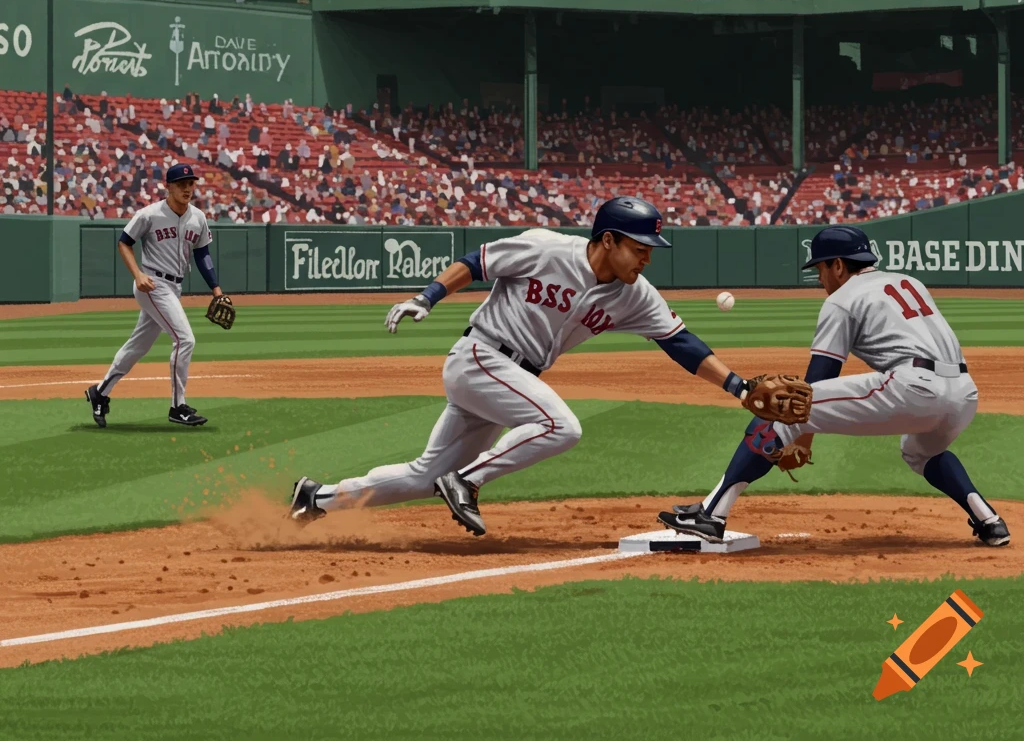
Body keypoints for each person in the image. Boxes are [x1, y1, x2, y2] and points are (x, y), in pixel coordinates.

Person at [289, 197, 779, 536]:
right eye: (638, 247)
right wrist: (428, 297)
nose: (647, 258)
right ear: (608, 240)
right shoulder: (547, 247)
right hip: (480, 356)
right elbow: (478, 261)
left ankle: (316, 499)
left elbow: (682, 343)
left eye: (650, 250)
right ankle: (467, 481)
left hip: (509, 380)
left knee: (423, 475)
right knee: (561, 426)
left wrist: (738, 386)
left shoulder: (635, 295)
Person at [659, 225, 1010, 547]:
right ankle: (989, 520)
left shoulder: (841, 299)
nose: (820, 277)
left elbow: (815, 382)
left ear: (838, 265)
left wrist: (801, 436)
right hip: (964, 393)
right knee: (921, 452)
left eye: (821, 268)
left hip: (914, 386)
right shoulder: (908, 281)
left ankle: (712, 514)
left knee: (780, 404)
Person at [84, 163, 222, 428]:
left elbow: (202, 253)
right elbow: (124, 242)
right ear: (167, 186)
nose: (187, 188)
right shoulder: (149, 214)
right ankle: (177, 406)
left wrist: (216, 288)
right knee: (185, 340)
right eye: (181, 184)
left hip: (174, 287)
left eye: (191, 183)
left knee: (138, 345)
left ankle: (99, 392)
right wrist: (137, 274)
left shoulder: (198, 218)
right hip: (152, 284)